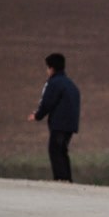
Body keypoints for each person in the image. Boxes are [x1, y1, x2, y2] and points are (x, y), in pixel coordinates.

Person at [27, 52, 81, 182]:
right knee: (62, 150)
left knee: (55, 150)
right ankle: (67, 179)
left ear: (51, 68)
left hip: (59, 124)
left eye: (47, 68)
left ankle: (60, 179)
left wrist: (37, 115)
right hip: (71, 124)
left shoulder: (54, 83)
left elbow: (47, 102)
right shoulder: (71, 84)